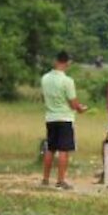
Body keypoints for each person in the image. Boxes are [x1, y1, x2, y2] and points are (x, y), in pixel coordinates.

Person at [41, 50, 89, 189]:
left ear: (55, 61)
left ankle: (45, 179)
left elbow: (44, 97)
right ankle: (60, 180)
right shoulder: (67, 81)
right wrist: (81, 108)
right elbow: (73, 103)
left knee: (50, 148)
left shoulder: (45, 78)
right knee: (63, 150)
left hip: (50, 117)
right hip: (65, 118)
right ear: (68, 63)